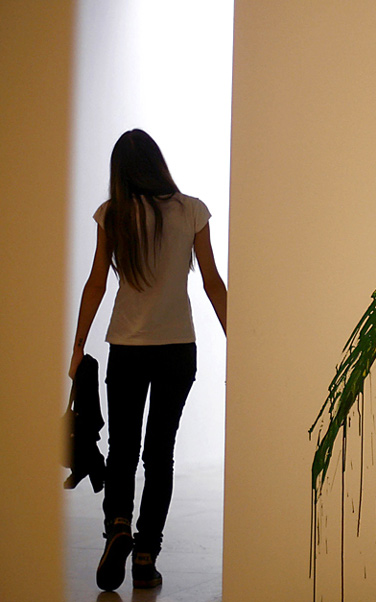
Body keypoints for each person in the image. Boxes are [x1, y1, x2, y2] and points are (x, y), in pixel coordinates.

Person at [69, 129, 227, 591]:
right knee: (160, 454)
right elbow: (212, 282)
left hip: (127, 348)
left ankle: (118, 525)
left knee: (122, 448)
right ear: (158, 164)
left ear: (120, 172)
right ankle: (145, 554)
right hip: (177, 349)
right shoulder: (192, 211)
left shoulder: (113, 214)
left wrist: (78, 346)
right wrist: (238, 340)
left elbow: (97, 283)